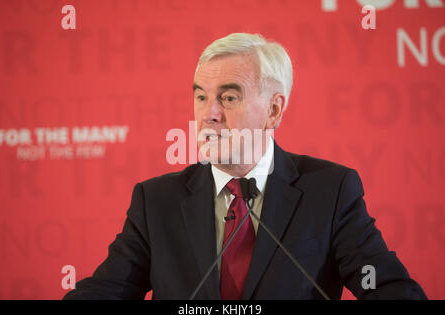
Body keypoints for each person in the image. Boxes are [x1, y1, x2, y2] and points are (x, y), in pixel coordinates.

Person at [64, 33, 427, 300]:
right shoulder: (156, 200)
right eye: (201, 96)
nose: (210, 114)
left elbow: (386, 287)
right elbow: (105, 291)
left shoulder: (329, 192)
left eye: (228, 97)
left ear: (273, 110)